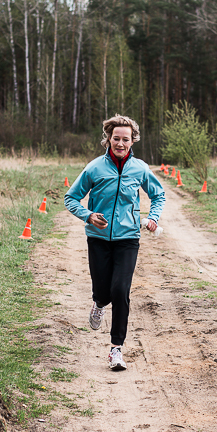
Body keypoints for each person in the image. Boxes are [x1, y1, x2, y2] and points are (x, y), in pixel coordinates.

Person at [64, 114, 165, 371]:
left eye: (125, 139)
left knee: (120, 291)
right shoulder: (95, 168)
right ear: (108, 139)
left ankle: (116, 349)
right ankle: (98, 304)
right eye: (116, 138)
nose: (120, 143)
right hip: (98, 239)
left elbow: (159, 194)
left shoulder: (140, 168)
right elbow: (71, 198)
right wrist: (88, 215)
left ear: (133, 141)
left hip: (128, 239)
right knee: (103, 291)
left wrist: (153, 217)